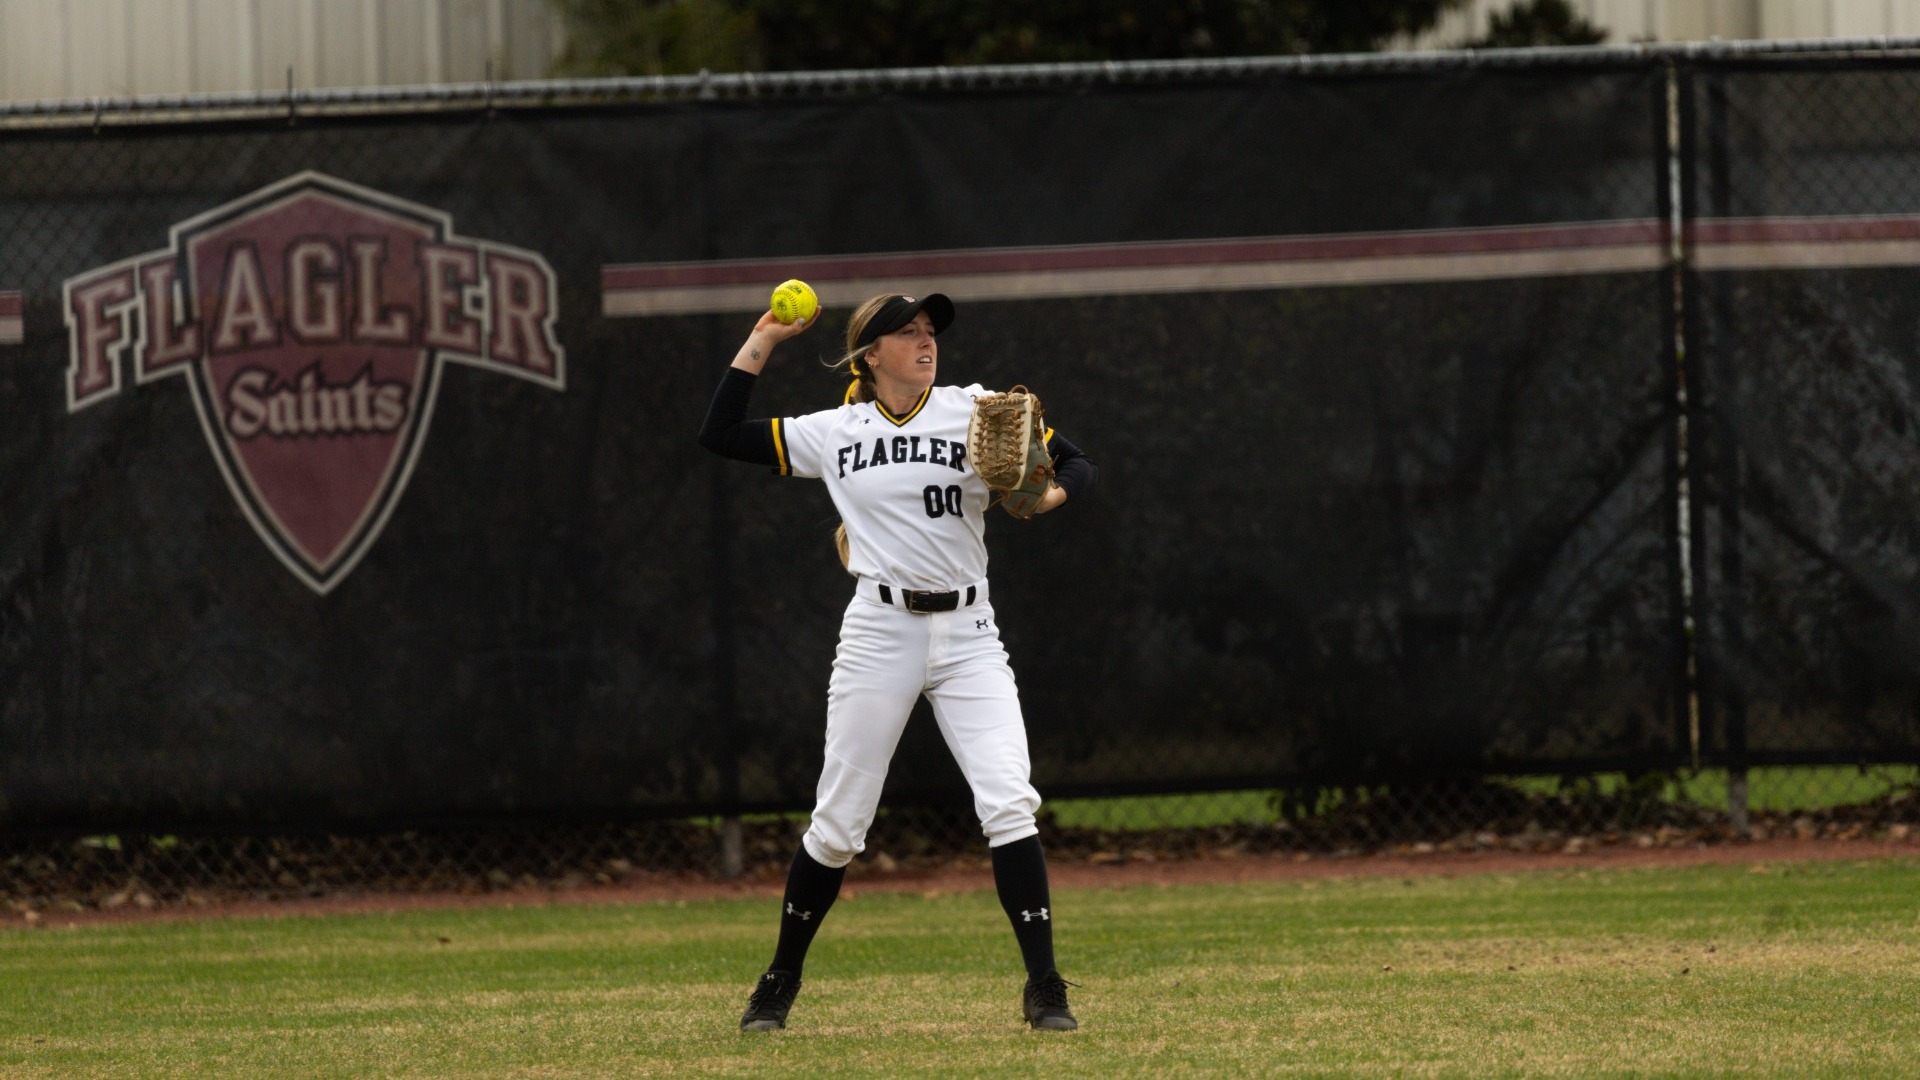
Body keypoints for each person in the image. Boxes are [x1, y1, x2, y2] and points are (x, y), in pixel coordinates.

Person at [697, 291, 1098, 1032]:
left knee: (1009, 799)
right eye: (906, 333)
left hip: (971, 632)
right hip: (880, 632)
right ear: (869, 355)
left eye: (928, 331)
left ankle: (1045, 986)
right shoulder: (834, 432)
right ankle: (780, 978)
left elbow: (1076, 463)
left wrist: (1048, 498)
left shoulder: (976, 409)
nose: (925, 341)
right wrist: (764, 337)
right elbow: (719, 432)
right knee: (840, 822)